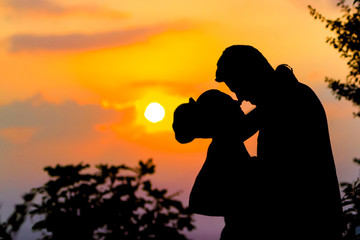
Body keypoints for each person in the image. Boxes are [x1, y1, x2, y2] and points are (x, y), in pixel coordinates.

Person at [215, 45, 345, 239]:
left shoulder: (288, 99)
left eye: (238, 88)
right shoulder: (284, 96)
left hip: (306, 226)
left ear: (250, 74)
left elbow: (281, 172)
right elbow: (241, 130)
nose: (240, 98)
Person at [173, 90, 257, 235]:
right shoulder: (222, 145)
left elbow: (246, 127)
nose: (239, 107)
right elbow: (197, 202)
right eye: (233, 108)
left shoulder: (226, 142)